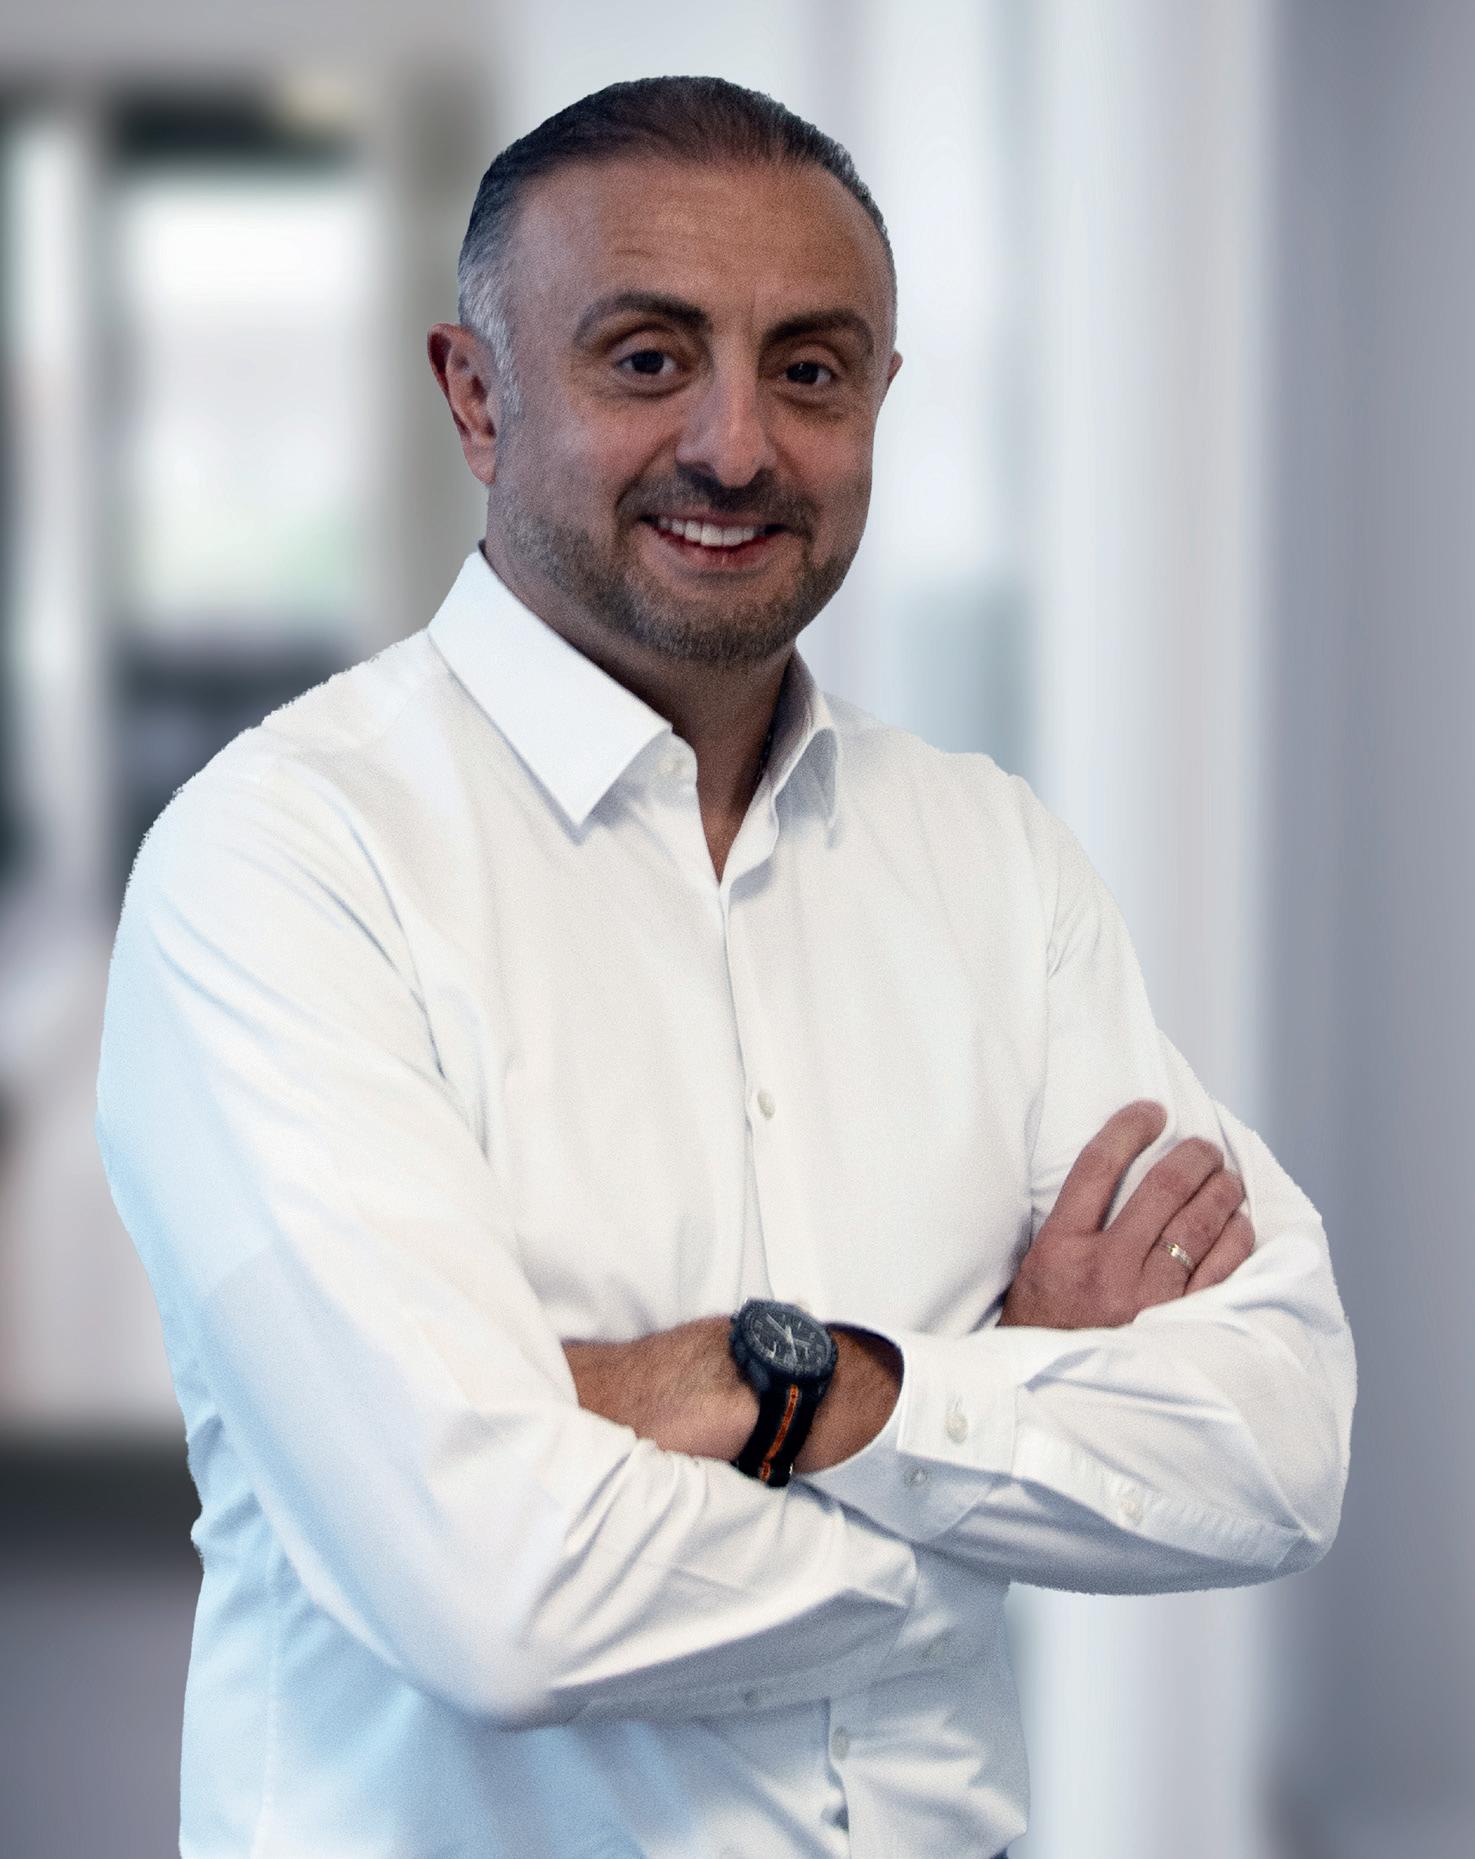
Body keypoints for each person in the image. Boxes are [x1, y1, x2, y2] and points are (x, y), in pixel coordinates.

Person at [95, 74, 1355, 1859]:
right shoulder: (286, 863)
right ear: (475, 395)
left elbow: (1279, 1448)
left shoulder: (992, 862)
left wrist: (800, 1386)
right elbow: (504, 1595)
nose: (739, 446)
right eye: (648, 358)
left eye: (811, 371)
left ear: (881, 401)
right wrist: (1000, 1446)